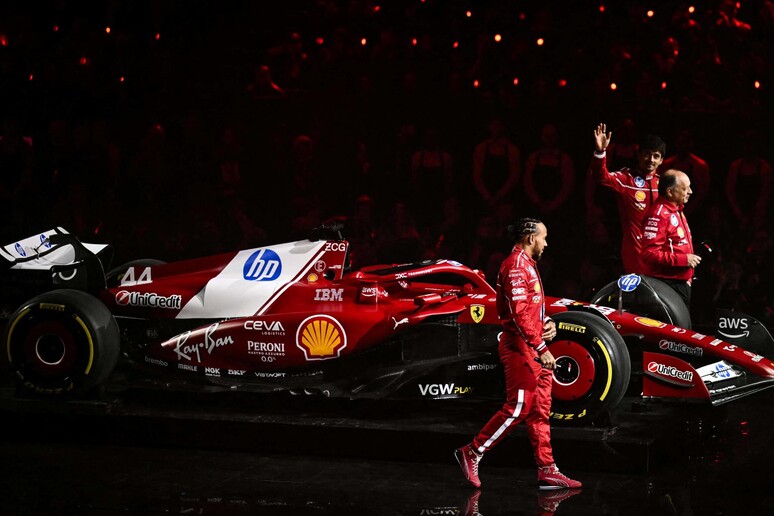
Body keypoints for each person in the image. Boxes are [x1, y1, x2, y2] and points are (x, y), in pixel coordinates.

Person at [454, 218, 581, 491]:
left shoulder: (529, 266)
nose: (546, 243)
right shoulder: (514, 267)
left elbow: (532, 311)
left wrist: (548, 324)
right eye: (544, 238)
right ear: (530, 238)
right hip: (520, 348)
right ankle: (472, 452)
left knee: (540, 412)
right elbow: (519, 315)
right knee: (518, 407)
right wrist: (543, 347)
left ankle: (547, 469)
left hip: (533, 346)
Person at [590, 122, 665, 274]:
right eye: (647, 154)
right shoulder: (627, 179)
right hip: (634, 254)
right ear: (639, 154)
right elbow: (601, 176)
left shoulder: (664, 184)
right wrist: (600, 152)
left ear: (661, 160)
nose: (651, 159)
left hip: (660, 253)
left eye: (656, 156)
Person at [640, 170, 702, 307]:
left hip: (678, 283)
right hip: (666, 286)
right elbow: (649, 254)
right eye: (685, 188)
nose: (690, 192)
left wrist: (687, 278)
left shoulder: (677, 210)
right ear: (670, 192)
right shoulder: (659, 215)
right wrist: (684, 260)